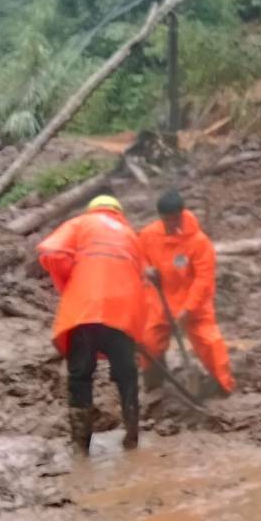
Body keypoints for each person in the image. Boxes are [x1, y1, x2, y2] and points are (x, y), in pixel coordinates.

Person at [37, 195, 148, 455]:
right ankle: (132, 438)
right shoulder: (131, 235)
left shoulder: (80, 223)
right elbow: (141, 274)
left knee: (80, 376)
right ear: (118, 212)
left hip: (84, 311)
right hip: (122, 312)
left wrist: (70, 280)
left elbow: (53, 252)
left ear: (93, 209)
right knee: (127, 374)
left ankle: (80, 448)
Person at [139, 189, 235, 396]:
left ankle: (223, 385)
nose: (171, 224)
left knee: (210, 343)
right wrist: (146, 269)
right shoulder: (148, 235)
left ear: (182, 214)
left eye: (175, 219)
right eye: (166, 220)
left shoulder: (199, 242)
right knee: (149, 341)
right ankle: (154, 384)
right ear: (160, 217)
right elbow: (139, 256)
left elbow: (203, 280)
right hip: (160, 299)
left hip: (194, 303)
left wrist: (188, 309)